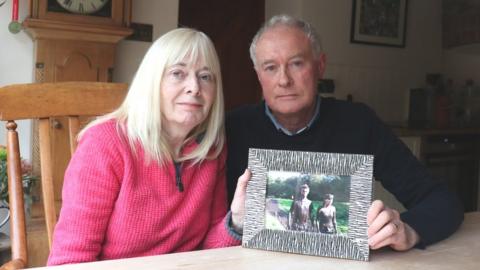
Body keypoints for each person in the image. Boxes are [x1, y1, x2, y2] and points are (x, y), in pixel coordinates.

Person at [226, 14, 464, 251]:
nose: (284, 80)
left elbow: (441, 200)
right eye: (270, 67)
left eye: (296, 63)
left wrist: (409, 231)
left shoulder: (358, 122)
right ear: (258, 75)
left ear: (320, 66)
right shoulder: (233, 128)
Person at [47, 28, 249, 265]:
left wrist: (236, 220)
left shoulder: (211, 150)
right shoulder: (104, 144)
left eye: (205, 77)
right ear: (152, 82)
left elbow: (210, 252)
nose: (194, 87)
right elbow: (70, 261)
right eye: (178, 73)